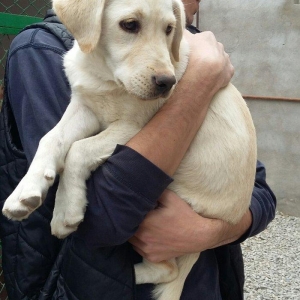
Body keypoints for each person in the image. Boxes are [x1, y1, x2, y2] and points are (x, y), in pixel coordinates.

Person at [0, 0, 276, 299]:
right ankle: (163, 271)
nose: (166, 70)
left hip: (208, 242)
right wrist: (198, 83)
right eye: (130, 25)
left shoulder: (198, 53)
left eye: (169, 29)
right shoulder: (42, 50)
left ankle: (166, 270)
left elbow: (260, 191)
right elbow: (103, 218)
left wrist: (210, 232)